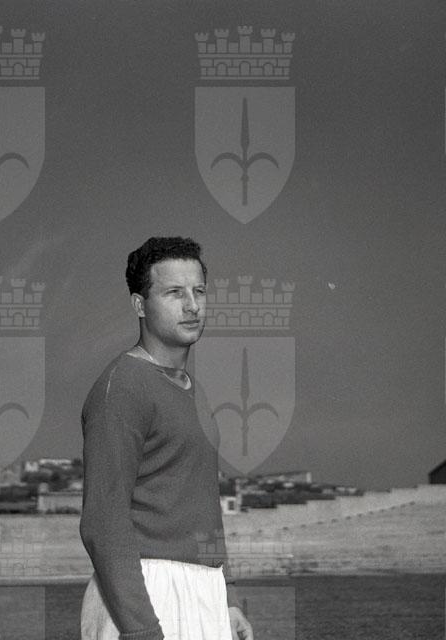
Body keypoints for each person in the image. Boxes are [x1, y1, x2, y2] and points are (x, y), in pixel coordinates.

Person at [79, 237, 254, 640]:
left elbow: (202, 505)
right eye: (174, 293)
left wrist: (226, 600)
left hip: (203, 591)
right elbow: (103, 523)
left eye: (199, 291)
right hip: (146, 594)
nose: (192, 305)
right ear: (140, 305)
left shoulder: (193, 388)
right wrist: (141, 631)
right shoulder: (123, 387)